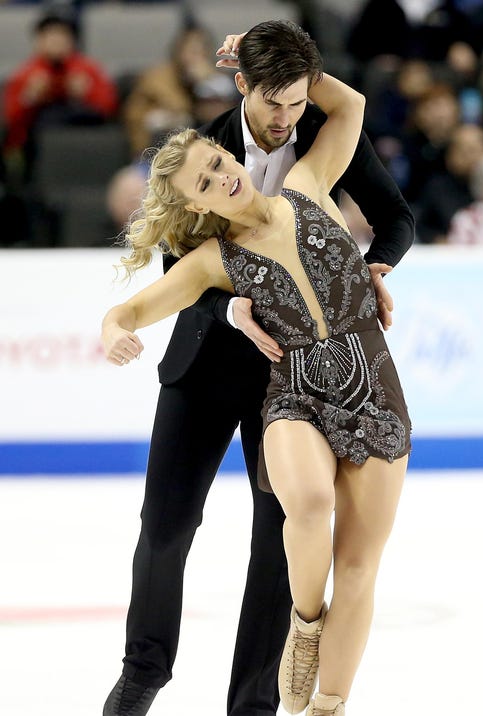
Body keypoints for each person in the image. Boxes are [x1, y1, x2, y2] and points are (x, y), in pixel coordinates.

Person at [101, 20, 414, 716]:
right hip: (209, 355)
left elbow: (394, 216)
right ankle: (143, 673)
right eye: (274, 102)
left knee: (282, 534)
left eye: (299, 102)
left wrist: (362, 276)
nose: (286, 119)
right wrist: (230, 310)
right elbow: (178, 277)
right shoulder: (201, 156)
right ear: (243, 87)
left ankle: (256, 703)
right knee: (167, 521)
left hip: (294, 374)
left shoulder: (316, 150)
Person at [2, 9, 118, 182]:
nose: (56, 41)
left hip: (83, 146)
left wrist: (86, 94)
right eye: (49, 35)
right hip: (37, 151)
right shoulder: (26, 74)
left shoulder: (88, 70)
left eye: (62, 35)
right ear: (38, 40)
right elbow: (10, 121)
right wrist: (30, 98)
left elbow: (110, 108)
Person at [123, 24, 238, 158]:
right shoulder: (160, 77)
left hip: (204, 151)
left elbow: (228, 106)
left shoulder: (211, 78)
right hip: (156, 151)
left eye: (202, 51)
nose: (197, 58)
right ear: (178, 51)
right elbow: (176, 107)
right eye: (192, 51)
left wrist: (208, 79)